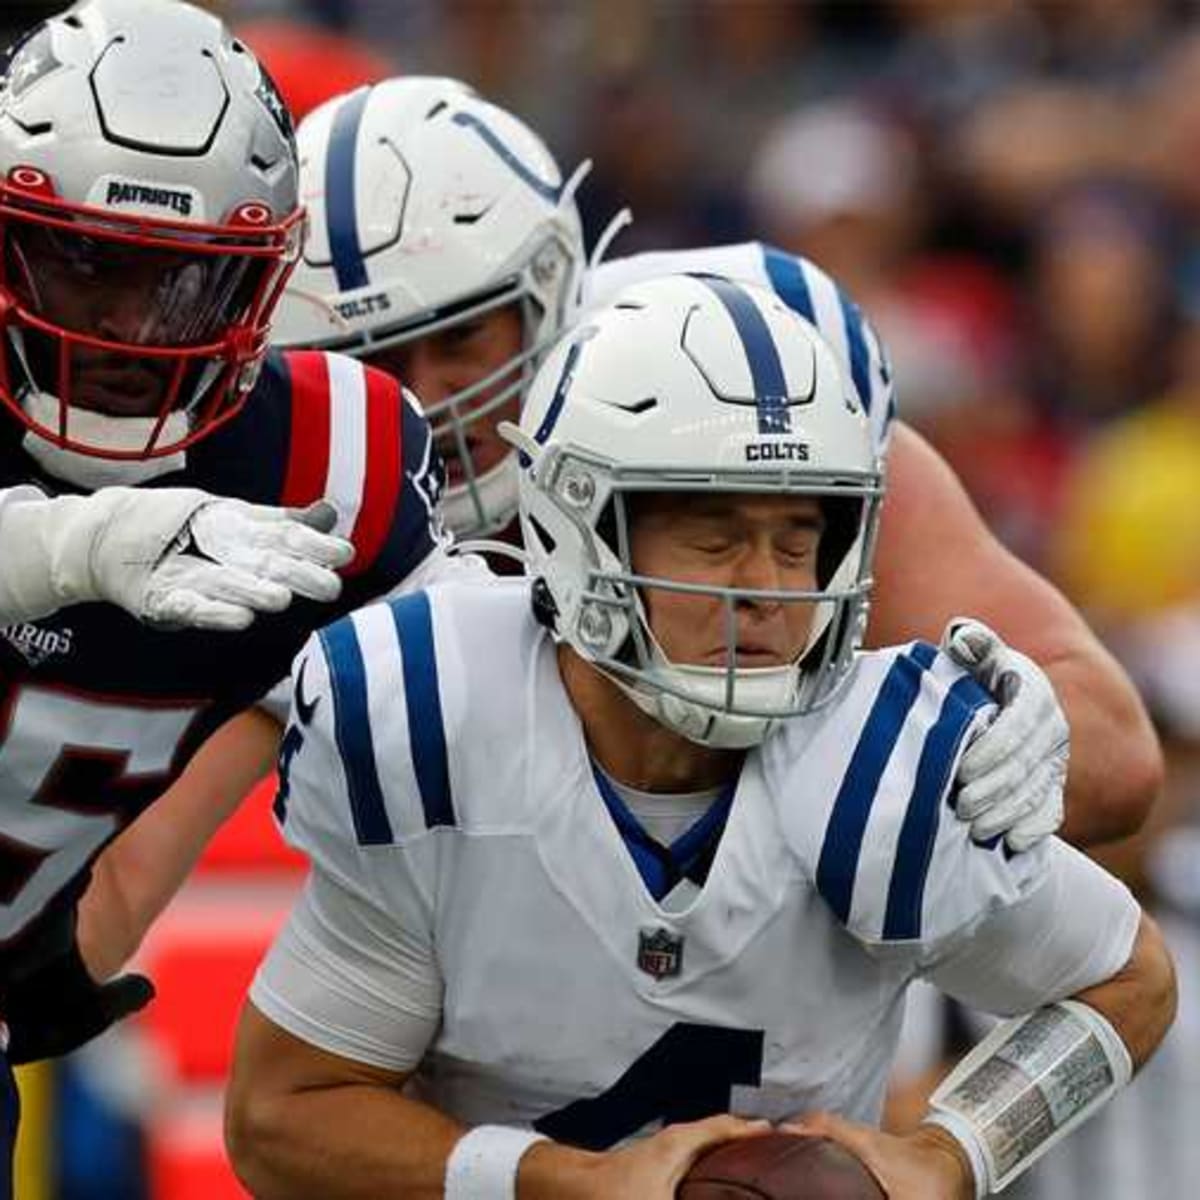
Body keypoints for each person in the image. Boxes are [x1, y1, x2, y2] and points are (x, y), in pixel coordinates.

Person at [227, 276, 1176, 1200]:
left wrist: (949, 1154)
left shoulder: (878, 765)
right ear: (580, 527)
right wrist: (562, 1183)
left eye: (799, 537)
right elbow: (284, 1115)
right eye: (714, 538)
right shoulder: (441, 722)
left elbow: (1131, 980)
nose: (765, 586)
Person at [271, 76, 1162, 849]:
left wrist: (906, 780)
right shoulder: (278, 476)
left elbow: (1112, 758)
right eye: (376, 363)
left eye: (462, 337)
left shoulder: (728, 377)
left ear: (549, 289)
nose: (429, 398)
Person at [0, 3, 456, 1190]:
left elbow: (521, 680)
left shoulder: (323, 467)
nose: (122, 332)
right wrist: (73, 546)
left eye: (181, 285)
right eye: (81, 260)